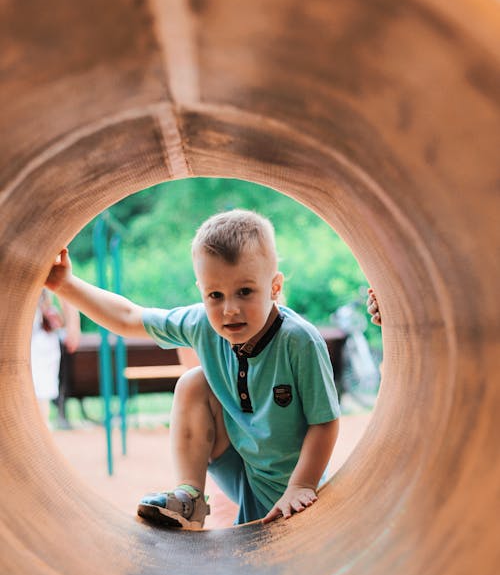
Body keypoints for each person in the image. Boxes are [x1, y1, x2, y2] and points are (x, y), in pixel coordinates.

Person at [45, 209, 340, 529]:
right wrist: (65, 285)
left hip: (294, 481)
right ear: (201, 290)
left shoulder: (298, 341)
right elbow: (129, 318)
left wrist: (302, 485)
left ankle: (290, 489)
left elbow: (324, 422)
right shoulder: (202, 323)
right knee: (194, 383)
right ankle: (190, 498)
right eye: (215, 295)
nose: (229, 309)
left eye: (245, 291)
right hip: (243, 471)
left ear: (274, 286)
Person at [31, 290, 80, 425]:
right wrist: (73, 324)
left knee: (39, 398)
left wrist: (73, 324)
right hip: (35, 336)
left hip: (37, 337)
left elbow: (60, 282)